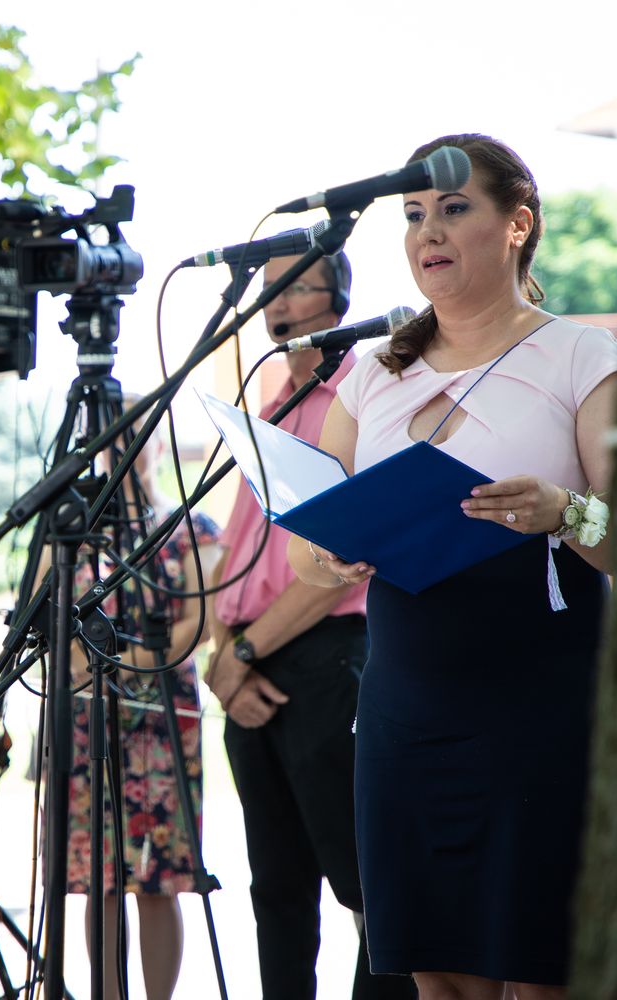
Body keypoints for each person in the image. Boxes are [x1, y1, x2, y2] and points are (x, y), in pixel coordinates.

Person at [285, 134, 617, 999]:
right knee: (437, 974)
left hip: (543, 702)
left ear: (519, 225)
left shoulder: (582, 356)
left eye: (453, 208)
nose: (427, 231)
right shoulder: (371, 372)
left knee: (542, 969)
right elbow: (304, 556)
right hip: (406, 707)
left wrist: (563, 510)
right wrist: (332, 553)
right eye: (413, 215)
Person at [205, 253, 415, 1000]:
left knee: (364, 885)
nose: (277, 303)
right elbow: (240, 553)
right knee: (276, 887)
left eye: (296, 287)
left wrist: (245, 650)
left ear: (339, 300)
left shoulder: (361, 397)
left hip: (325, 659)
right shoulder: (271, 408)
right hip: (248, 667)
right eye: (269, 289)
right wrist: (226, 660)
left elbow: (341, 562)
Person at [59, 414, 220, 1000]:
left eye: (138, 439)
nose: (127, 452)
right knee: (99, 877)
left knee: (160, 877)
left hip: (162, 721)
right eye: (116, 441)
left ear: (158, 446)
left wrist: (123, 665)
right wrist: (87, 667)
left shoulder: (191, 527)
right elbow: (53, 620)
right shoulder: (73, 534)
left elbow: (198, 622)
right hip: (90, 717)